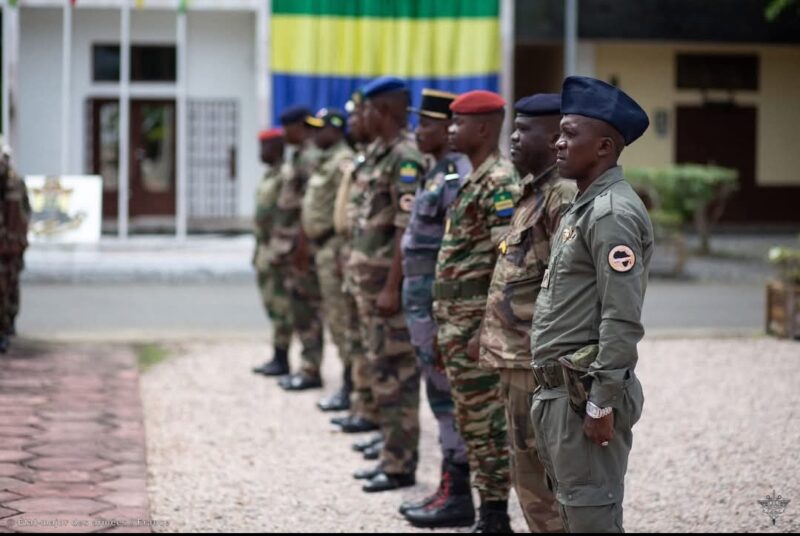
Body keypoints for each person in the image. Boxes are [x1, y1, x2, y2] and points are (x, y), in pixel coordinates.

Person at [528, 76, 653, 533]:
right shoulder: (585, 206)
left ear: (603, 146)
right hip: (560, 393)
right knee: (572, 512)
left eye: (569, 133)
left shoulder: (612, 213)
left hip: (583, 399)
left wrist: (602, 402)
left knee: (591, 517)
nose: (557, 142)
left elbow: (622, 316)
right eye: (558, 133)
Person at [476, 93, 575, 533]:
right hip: (516, 356)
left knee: (544, 484)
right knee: (530, 479)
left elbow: (570, 287)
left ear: (554, 136)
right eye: (512, 129)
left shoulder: (561, 197)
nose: (512, 139)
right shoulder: (533, 190)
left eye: (523, 131)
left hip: (538, 361)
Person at [433, 90, 520, 533]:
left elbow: (506, 264)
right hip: (458, 323)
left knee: (487, 423)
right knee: (471, 418)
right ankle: (486, 512)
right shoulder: (474, 177)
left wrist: (486, 329)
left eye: (458, 123)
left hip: (476, 328)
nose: (450, 130)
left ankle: (495, 516)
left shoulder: (501, 182)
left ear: (483, 129)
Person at [398, 88, 474, 529]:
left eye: (425, 124)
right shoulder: (437, 172)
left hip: (438, 307)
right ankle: (449, 485)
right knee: (438, 394)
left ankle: (459, 493)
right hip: (423, 307)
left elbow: (457, 253)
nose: (417, 131)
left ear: (448, 129)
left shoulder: (457, 178)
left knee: (449, 399)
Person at [347, 76, 422, 493]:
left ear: (388, 112)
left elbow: (404, 228)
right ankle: (390, 449)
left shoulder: (404, 158)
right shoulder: (378, 154)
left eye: (370, 109)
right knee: (380, 369)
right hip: (368, 284)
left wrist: (393, 285)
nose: (363, 116)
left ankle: (400, 464)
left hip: (384, 287)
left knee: (397, 375)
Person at [258, 105, 325, 391]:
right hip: (288, 245)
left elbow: (308, 207)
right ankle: (302, 364)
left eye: (289, 129)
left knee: (306, 307)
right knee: (295, 307)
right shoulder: (299, 155)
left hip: (301, 246)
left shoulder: (309, 157)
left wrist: (301, 245)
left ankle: (311, 368)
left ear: (301, 126)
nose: (285, 134)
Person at [300, 108, 355, 411]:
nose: (315, 134)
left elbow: (346, 210)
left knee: (340, 321)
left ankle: (351, 388)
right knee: (335, 320)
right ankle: (351, 387)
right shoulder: (324, 160)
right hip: (321, 246)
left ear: (335, 130)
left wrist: (340, 254)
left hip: (335, 247)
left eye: (320, 129)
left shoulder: (341, 162)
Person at [251, 128, 290, 376]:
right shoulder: (269, 176)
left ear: (275, 148)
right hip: (264, 247)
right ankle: (277, 355)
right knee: (271, 304)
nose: (261, 153)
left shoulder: (285, 176)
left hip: (279, 249)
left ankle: (282, 357)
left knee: (282, 306)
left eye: (264, 147)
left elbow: (285, 215)